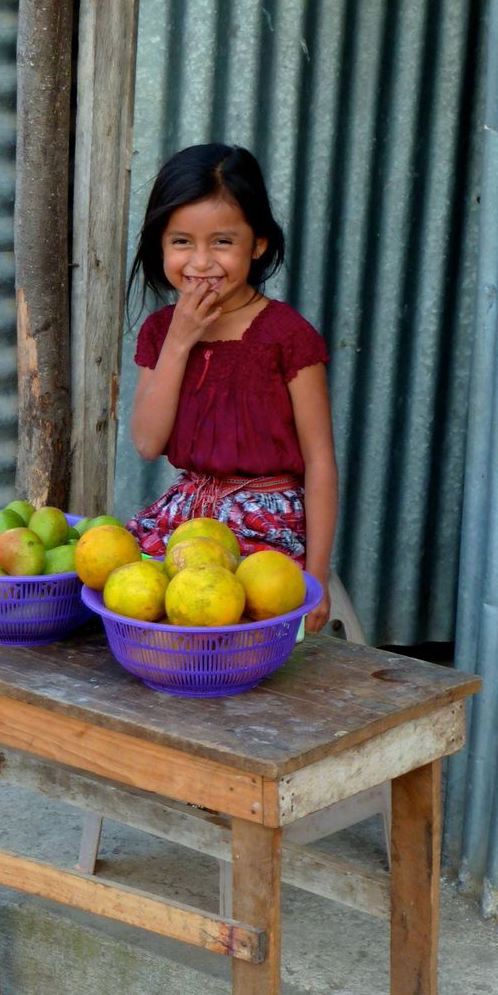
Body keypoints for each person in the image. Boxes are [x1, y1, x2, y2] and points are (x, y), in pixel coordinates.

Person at [125, 143, 337, 634]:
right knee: (125, 603)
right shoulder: (161, 331)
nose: (201, 262)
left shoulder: (286, 337)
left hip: (266, 526)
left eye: (222, 241)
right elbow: (147, 442)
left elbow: (320, 461)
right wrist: (179, 342)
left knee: (225, 629)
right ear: (161, 244)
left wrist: (317, 576)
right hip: (184, 517)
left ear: (258, 243)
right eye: (182, 242)